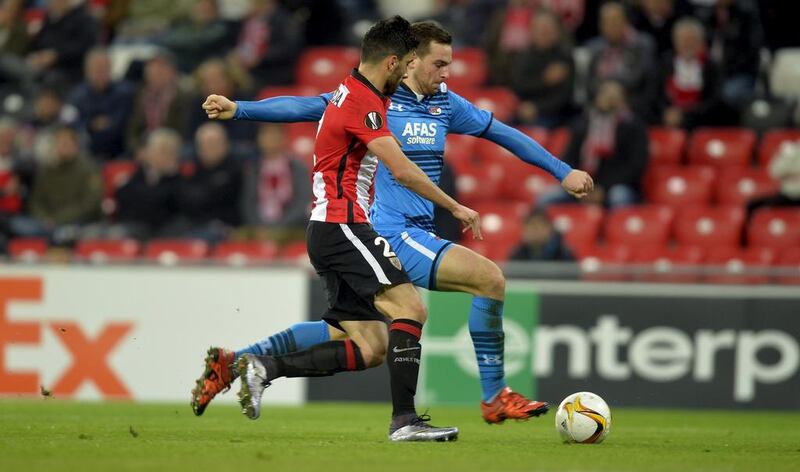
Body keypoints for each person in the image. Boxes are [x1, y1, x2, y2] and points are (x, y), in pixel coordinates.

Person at [197, 21, 593, 424]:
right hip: (388, 230)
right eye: (438, 63)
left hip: (404, 230)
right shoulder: (373, 99)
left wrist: (561, 170)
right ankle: (492, 397)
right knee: (487, 279)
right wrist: (241, 109)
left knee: (354, 337)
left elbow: (504, 134)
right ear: (410, 60)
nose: (446, 73)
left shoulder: (445, 103)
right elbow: (302, 106)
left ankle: (237, 362)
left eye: (450, 64)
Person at [198, 16, 483, 442]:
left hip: (330, 227)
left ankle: (262, 367)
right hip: (343, 223)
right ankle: (404, 421)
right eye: (405, 64)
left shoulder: (349, 90)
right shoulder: (363, 104)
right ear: (390, 63)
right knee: (411, 309)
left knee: (369, 346)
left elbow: (298, 105)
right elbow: (403, 171)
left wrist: (240, 109)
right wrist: (456, 207)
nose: (407, 73)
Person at [537, 79, 647, 210]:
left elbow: (635, 166)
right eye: (605, 93)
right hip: (582, 184)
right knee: (546, 197)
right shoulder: (584, 123)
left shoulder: (633, 126)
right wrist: (580, 185)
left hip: (615, 185)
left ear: (623, 99)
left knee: (619, 197)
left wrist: (602, 188)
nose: (608, 98)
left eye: (614, 95)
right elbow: (569, 157)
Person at [240, 123, 310, 239]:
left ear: (284, 138)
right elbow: (247, 201)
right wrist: (258, 226)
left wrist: (279, 227)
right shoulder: (252, 168)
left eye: (275, 134)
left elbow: (301, 202)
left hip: (291, 229)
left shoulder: (297, 167)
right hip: (258, 229)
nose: (271, 138)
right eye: (266, 134)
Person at [68, 47, 136, 160]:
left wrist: (100, 126)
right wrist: (90, 125)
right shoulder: (77, 95)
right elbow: (70, 121)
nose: (100, 72)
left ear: (111, 69)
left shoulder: (125, 93)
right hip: (84, 150)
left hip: (118, 151)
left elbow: (119, 124)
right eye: (96, 68)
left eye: (103, 68)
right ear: (87, 70)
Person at [509, 210, 574, 261]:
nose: (535, 230)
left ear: (549, 229)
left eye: (540, 226)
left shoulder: (563, 253)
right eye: (532, 225)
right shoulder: (517, 254)